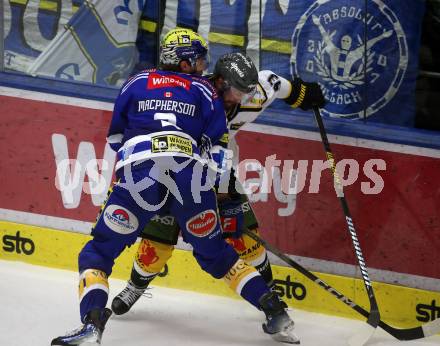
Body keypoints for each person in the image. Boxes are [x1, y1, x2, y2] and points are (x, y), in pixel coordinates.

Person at [51, 28, 301, 346]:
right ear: (184, 63)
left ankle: (91, 326)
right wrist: (217, 199)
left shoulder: (135, 82)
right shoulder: (205, 90)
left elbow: (115, 139)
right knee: (217, 256)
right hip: (192, 179)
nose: (202, 66)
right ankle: (274, 311)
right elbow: (219, 151)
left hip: (142, 176)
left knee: (98, 252)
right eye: (198, 60)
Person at [111, 49, 325, 322]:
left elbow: (272, 81)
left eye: (247, 92)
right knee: (157, 243)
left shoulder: (250, 92)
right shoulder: (194, 97)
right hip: (171, 169)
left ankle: (270, 292)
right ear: (222, 82)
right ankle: (135, 286)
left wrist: (302, 94)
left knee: (245, 236)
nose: (245, 98)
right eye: (239, 91)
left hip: (219, 169)